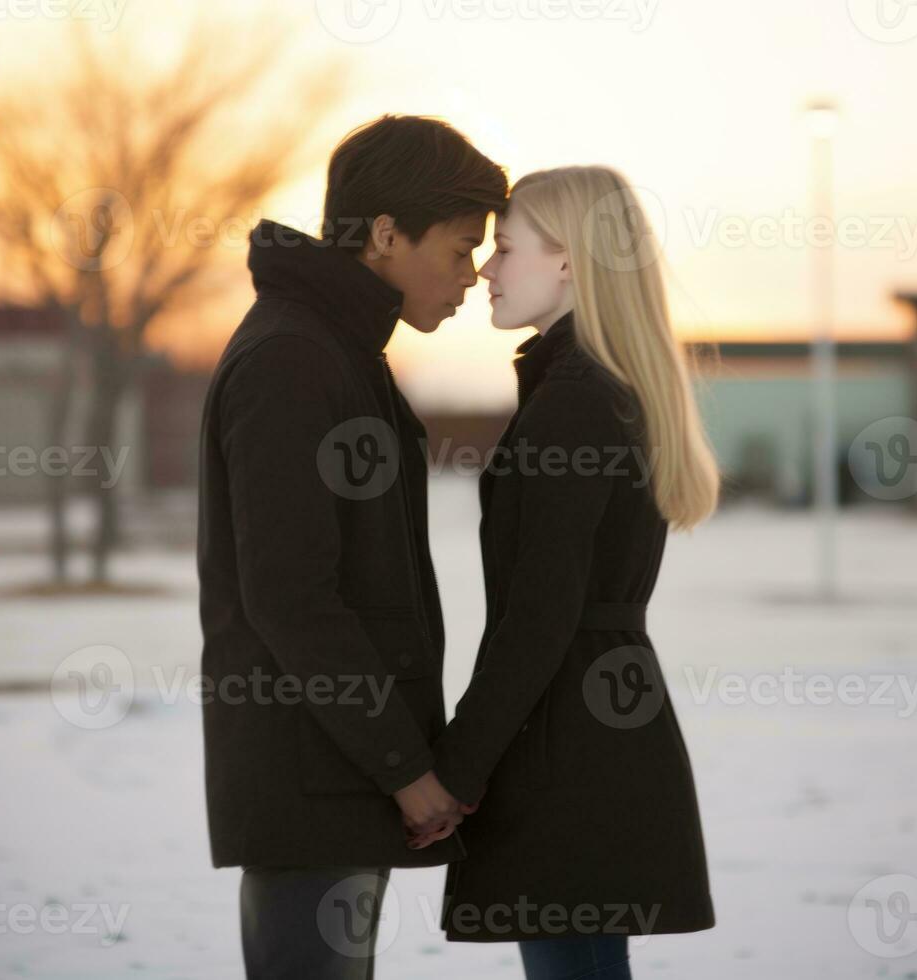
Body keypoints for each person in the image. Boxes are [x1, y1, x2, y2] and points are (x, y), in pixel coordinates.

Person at [196, 114, 507, 978]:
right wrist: (405, 766)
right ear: (383, 235)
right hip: (310, 780)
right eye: (458, 248)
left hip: (337, 773)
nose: (471, 275)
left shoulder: (339, 348)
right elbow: (291, 594)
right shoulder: (294, 358)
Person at [408, 166, 721, 979]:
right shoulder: (595, 388)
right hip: (593, 725)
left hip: (568, 744)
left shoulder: (576, 400)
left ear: (571, 261)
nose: (484, 269)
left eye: (504, 248)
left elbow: (540, 614)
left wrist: (457, 770)